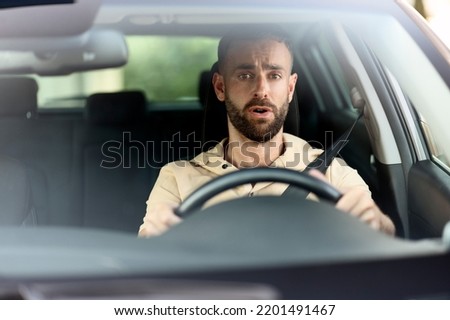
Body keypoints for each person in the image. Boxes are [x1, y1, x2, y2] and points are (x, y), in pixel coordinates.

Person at [138, 25, 396, 238]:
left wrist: (376, 223)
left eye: (274, 75)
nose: (262, 90)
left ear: (291, 87)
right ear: (220, 87)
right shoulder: (177, 177)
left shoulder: (331, 171)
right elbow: (148, 261)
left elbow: (383, 235)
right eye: (245, 75)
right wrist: (156, 237)